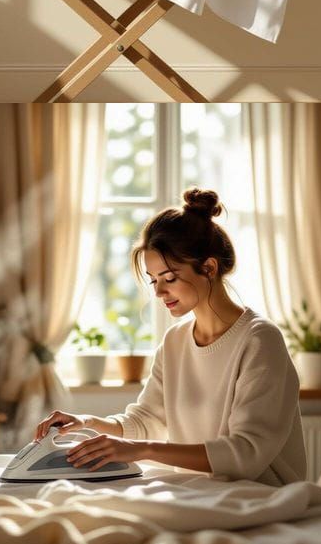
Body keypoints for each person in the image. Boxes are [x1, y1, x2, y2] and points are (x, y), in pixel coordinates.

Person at [36, 188, 306, 487]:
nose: (159, 292)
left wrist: (142, 450)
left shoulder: (260, 340)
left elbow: (246, 453)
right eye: (154, 280)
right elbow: (147, 421)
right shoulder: (175, 341)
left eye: (170, 278)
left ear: (209, 268)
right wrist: (87, 422)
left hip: (261, 496)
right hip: (202, 493)